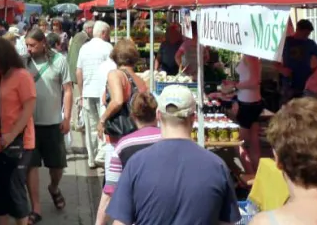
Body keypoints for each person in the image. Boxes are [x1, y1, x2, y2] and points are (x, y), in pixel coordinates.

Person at [106, 85, 240, 225]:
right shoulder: (217, 166)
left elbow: (120, 222)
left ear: (158, 115)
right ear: (193, 118)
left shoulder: (136, 163)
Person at [0, 37, 37, 225]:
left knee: (15, 193)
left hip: (16, 145)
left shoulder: (22, 76)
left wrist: (11, 135)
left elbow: (28, 109)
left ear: (2, 55)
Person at [95, 39, 148, 225]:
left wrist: (102, 120)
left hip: (118, 139)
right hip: (137, 137)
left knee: (110, 188)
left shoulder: (115, 74)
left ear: (115, 57)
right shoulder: (141, 80)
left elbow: (117, 101)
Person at [23, 29, 73, 224]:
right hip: (29, 124)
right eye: (27, 45)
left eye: (32, 45)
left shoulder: (59, 60)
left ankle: (53, 187)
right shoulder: (24, 62)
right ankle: (35, 207)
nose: (29, 49)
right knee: (31, 165)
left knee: (57, 166)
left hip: (52, 123)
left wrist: (67, 117)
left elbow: (68, 90)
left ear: (43, 43)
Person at [210, 54, 264, 174]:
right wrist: (234, 83)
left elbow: (254, 81)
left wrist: (234, 86)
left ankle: (250, 176)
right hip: (252, 101)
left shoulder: (251, 56)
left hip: (248, 103)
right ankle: (257, 174)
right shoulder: (252, 56)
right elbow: (249, 79)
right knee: (253, 141)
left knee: (237, 141)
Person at [102, 92, 160, 199]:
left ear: (132, 116)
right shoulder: (170, 140)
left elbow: (110, 190)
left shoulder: (123, 145)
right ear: (157, 114)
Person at [76, 21, 114, 168]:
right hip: (103, 92)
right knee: (103, 123)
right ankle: (102, 155)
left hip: (88, 91)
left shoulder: (84, 48)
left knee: (90, 126)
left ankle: (91, 159)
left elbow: (78, 71)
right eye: (108, 34)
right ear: (103, 33)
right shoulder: (108, 47)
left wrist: (81, 92)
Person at [278, 19, 317, 102]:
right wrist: (282, 69)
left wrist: (315, 70)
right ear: (298, 30)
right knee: (287, 106)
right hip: (289, 82)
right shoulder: (286, 42)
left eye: (308, 34)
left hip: (306, 81)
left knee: (304, 107)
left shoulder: (310, 43)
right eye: (305, 33)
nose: (306, 36)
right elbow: (273, 61)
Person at [67, 21, 94, 85]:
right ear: (88, 29)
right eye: (93, 28)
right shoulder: (85, 38)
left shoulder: (78, 35)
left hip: (72, 69)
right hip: (78, 71)